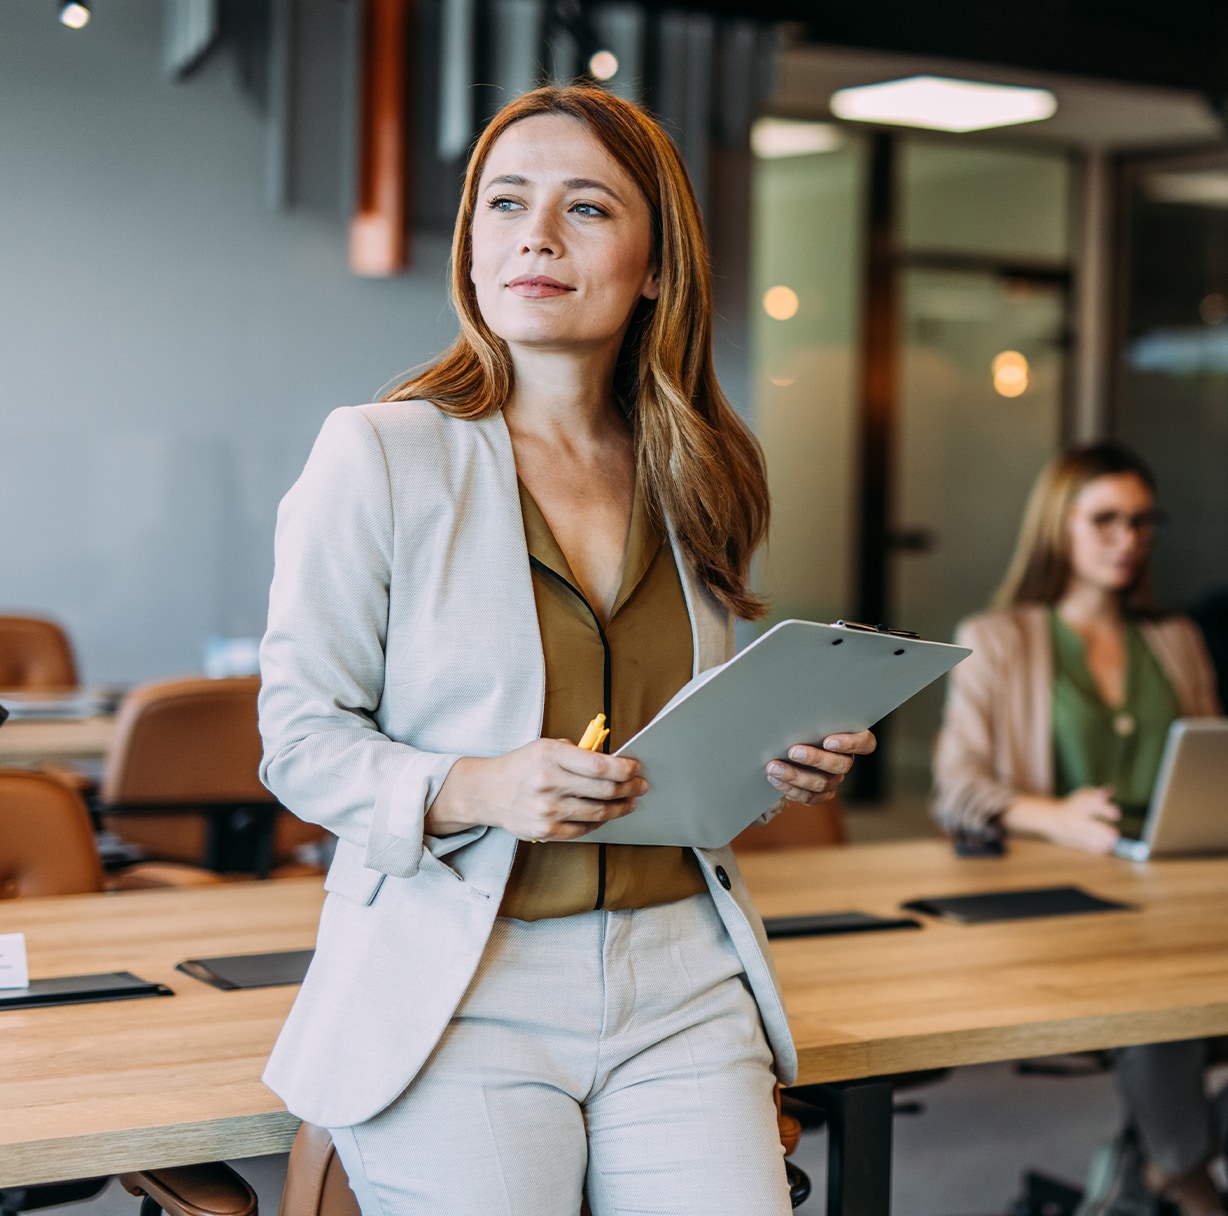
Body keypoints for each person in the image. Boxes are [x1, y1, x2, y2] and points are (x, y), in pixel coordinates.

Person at [257, 83, 875, 1215]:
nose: (535, 233)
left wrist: (772, 765)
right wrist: (477, 784)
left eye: (585, 207)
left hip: (682, 974)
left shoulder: (701, 467)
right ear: (473, 246)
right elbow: (298, 742)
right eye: (504, 202)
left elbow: (677, 759)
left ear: (654, 265)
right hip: (462, 982)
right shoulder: (379, 455)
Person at [932, 441, 1225, 1216]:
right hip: (1065, 895)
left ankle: (1172, 1153)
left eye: (1140, 522)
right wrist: (1052, 817)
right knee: (1162, 986)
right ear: (1059, 527)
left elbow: (1207, 763)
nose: (1126, 539)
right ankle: (1184, 1173)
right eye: (1105, 520)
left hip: (1176, 876)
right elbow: (955, 789)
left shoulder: (1176, 640)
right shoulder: (999, 637)